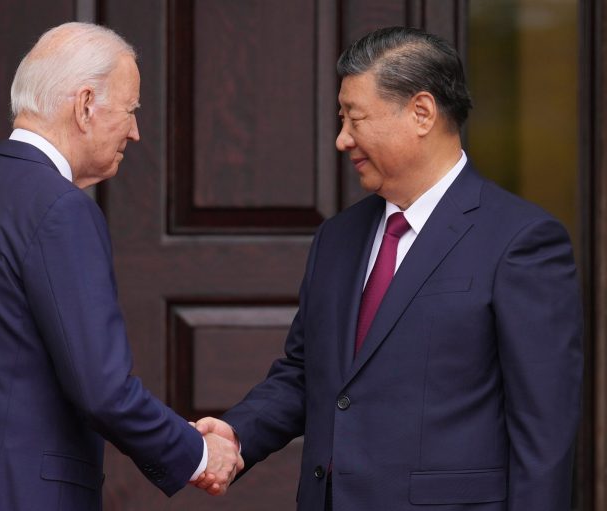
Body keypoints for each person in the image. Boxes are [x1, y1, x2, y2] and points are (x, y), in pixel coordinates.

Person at [194, 26, 583, 510]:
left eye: (355, 119)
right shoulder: (337, 238)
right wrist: (235, 435)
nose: (342, 140)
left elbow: (543, 432)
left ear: (421, 112)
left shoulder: (520, 241)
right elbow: (305, 373)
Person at [0, 21, 241, 511]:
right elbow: (102, 389)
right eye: (130, 110)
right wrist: (199, 454)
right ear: (84, 106)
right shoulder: (60, 208)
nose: (136, 132)